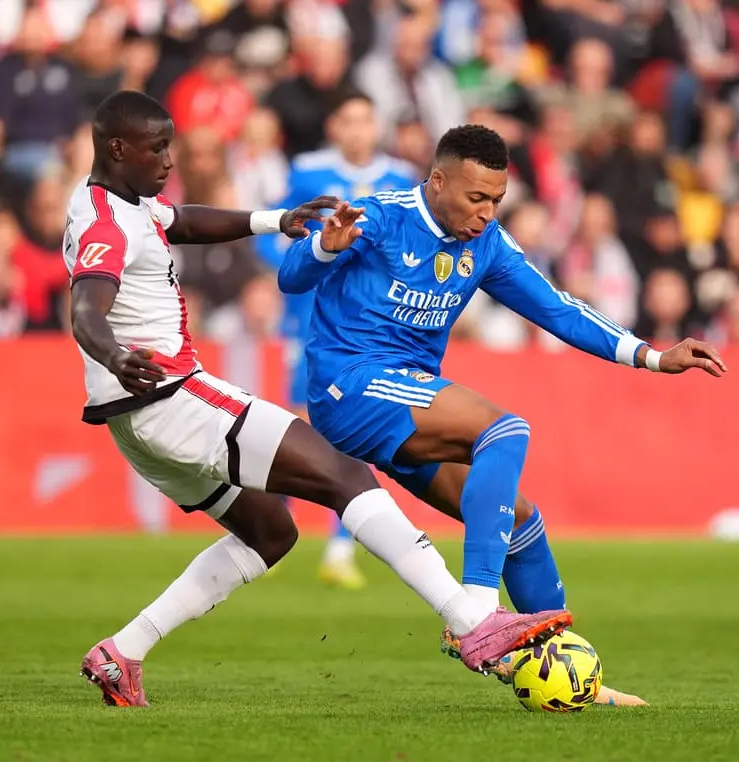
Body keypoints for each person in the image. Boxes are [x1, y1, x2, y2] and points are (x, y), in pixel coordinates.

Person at [67, 90, 571, 708]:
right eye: (157, 147)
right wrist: (114, 353)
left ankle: (123, 652)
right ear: (117, 148)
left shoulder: (123, 205)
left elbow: (185, 221)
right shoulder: (102, 225)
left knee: (270, 533)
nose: (170, 159)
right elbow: (86, 306)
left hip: (135, 421)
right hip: (170, 394)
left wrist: (273, 220)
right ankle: (473, 623)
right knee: (345, 476)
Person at [278, 124, 728, 707]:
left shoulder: (485, 243)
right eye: (476, 198)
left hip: (407, 401)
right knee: (504, 429)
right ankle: (480, 612)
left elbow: (558, 309)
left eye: (497, 200)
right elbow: (291, 279)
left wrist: (651, 355)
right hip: (351, 387)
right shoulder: (381, 218)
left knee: (518, 519)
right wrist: (320, 248)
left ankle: (570, 677)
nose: (487, 213)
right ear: (438, 181)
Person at [256, 87, 418, 590]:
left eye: (365, 121)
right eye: (347, 121)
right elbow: (273, 233)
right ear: (335, 128)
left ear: (376, 127)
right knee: (295, 428)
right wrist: (293, 267)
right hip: (305, 321)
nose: (357, 131)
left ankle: (340, 547)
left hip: (368, 327)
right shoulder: (308, 173)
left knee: (355, 428)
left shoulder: (402, 179)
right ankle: (272, 529)